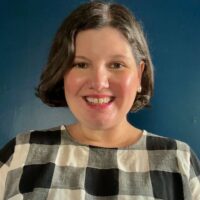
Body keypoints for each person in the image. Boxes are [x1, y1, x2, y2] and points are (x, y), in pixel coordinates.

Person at [0, 1, 200, 199]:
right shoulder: (20, 154)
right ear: (62, 74)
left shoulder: (179, 161)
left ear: (139, 75)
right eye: (81, 64)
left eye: (116, 64)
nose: (98, 82)